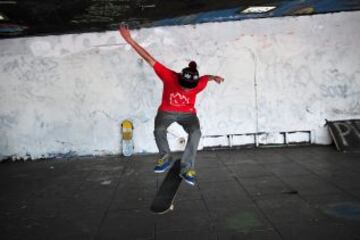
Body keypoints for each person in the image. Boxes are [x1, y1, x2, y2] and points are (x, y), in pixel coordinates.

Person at [119, 25, 224, 186]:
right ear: (179, 78)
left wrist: (214, 77)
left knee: (196, 132)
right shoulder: (168, 76)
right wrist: (130, 40)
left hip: (188, 114)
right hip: (166, 111)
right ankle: (165, 157)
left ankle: (187, 168)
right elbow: (149, 58)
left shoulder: (200, 83)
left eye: (189, 88)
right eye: (182, 86)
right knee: (159, 129)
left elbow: (205, 77)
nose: (185, 89)